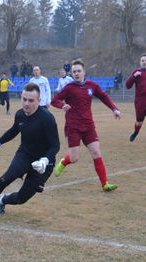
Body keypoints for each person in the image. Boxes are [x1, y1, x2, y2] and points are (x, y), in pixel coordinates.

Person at [0, 83, 60, 218]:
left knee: (22, 198)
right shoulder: (20, 115)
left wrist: (45, 160)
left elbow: (55, 145)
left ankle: (3, 200)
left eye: (31, 100)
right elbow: (14, 130)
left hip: (44, 163)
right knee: (6, 178)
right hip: (24, 155)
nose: (26, 103)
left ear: (39, 101)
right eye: (24, 99)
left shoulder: (47, 119)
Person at [51, 59, 121, 192]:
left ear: (84, 72)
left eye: (79, 71)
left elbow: (104, 97)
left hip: (89, 126)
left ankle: (105, 184)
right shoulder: (69, 88)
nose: (76, 73)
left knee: (96, 152)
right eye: (74, 72)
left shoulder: (92, 86)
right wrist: (62, 105)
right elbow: (54, 100)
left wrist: (114, 109)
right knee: (74, 158)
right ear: (72, 74)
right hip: (73, 127)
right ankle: (63, 162)